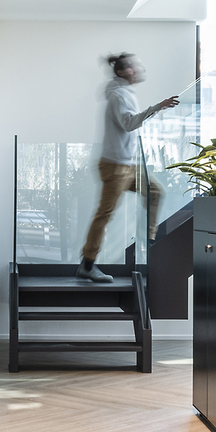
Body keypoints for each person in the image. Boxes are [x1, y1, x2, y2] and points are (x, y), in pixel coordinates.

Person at [76, 53, 178, 283]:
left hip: (129, 165)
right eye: (133, 66)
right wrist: (158, 107)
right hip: (115, 167)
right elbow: (129, 123)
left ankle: (148, 241)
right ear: (122, 72)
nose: (139, 69)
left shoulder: (125, 93)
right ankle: (88, 264)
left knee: (155, 191)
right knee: (104, 214)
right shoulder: (118, 96)